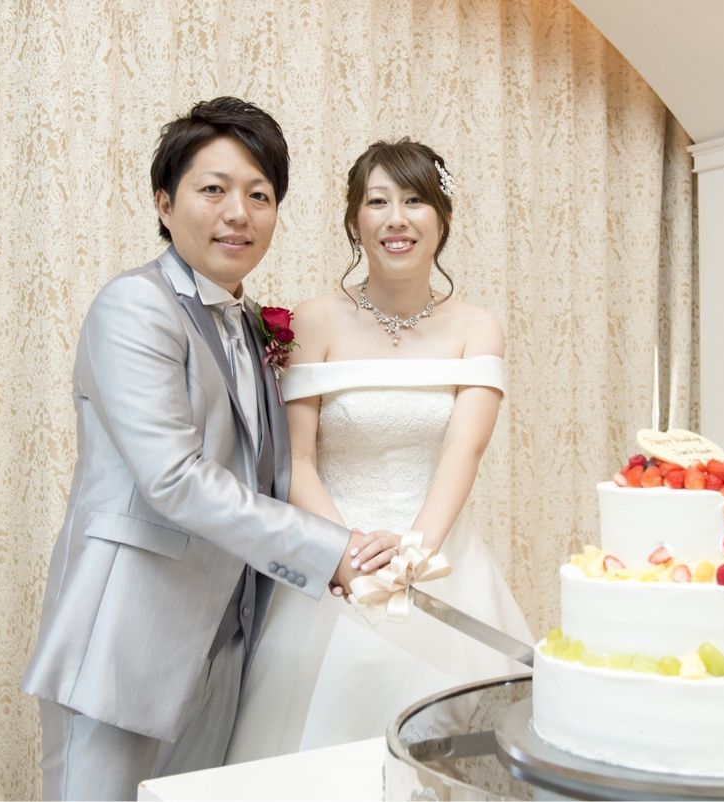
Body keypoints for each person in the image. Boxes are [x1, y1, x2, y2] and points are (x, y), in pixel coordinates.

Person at [21, 97, 398, 800]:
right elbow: (174, 478)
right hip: (125, 639)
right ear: (164, 204)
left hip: (224, 644)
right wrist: (329, 550)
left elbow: (267, 471)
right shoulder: (136, 307)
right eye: (214, 189)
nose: (238, 214)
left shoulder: (252, 323)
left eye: (259, 195)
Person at [225, 139, 533, 762]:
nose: (397, 219)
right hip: (335, 554)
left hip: (438, 554)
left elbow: (464, 452)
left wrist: (414, 553)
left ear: (443, 217)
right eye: (378, 202)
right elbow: (297, 461)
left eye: (415, 201)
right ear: (354, 219)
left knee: (450, 754)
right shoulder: (314, 321)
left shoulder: (477, 328)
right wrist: (346, 554)